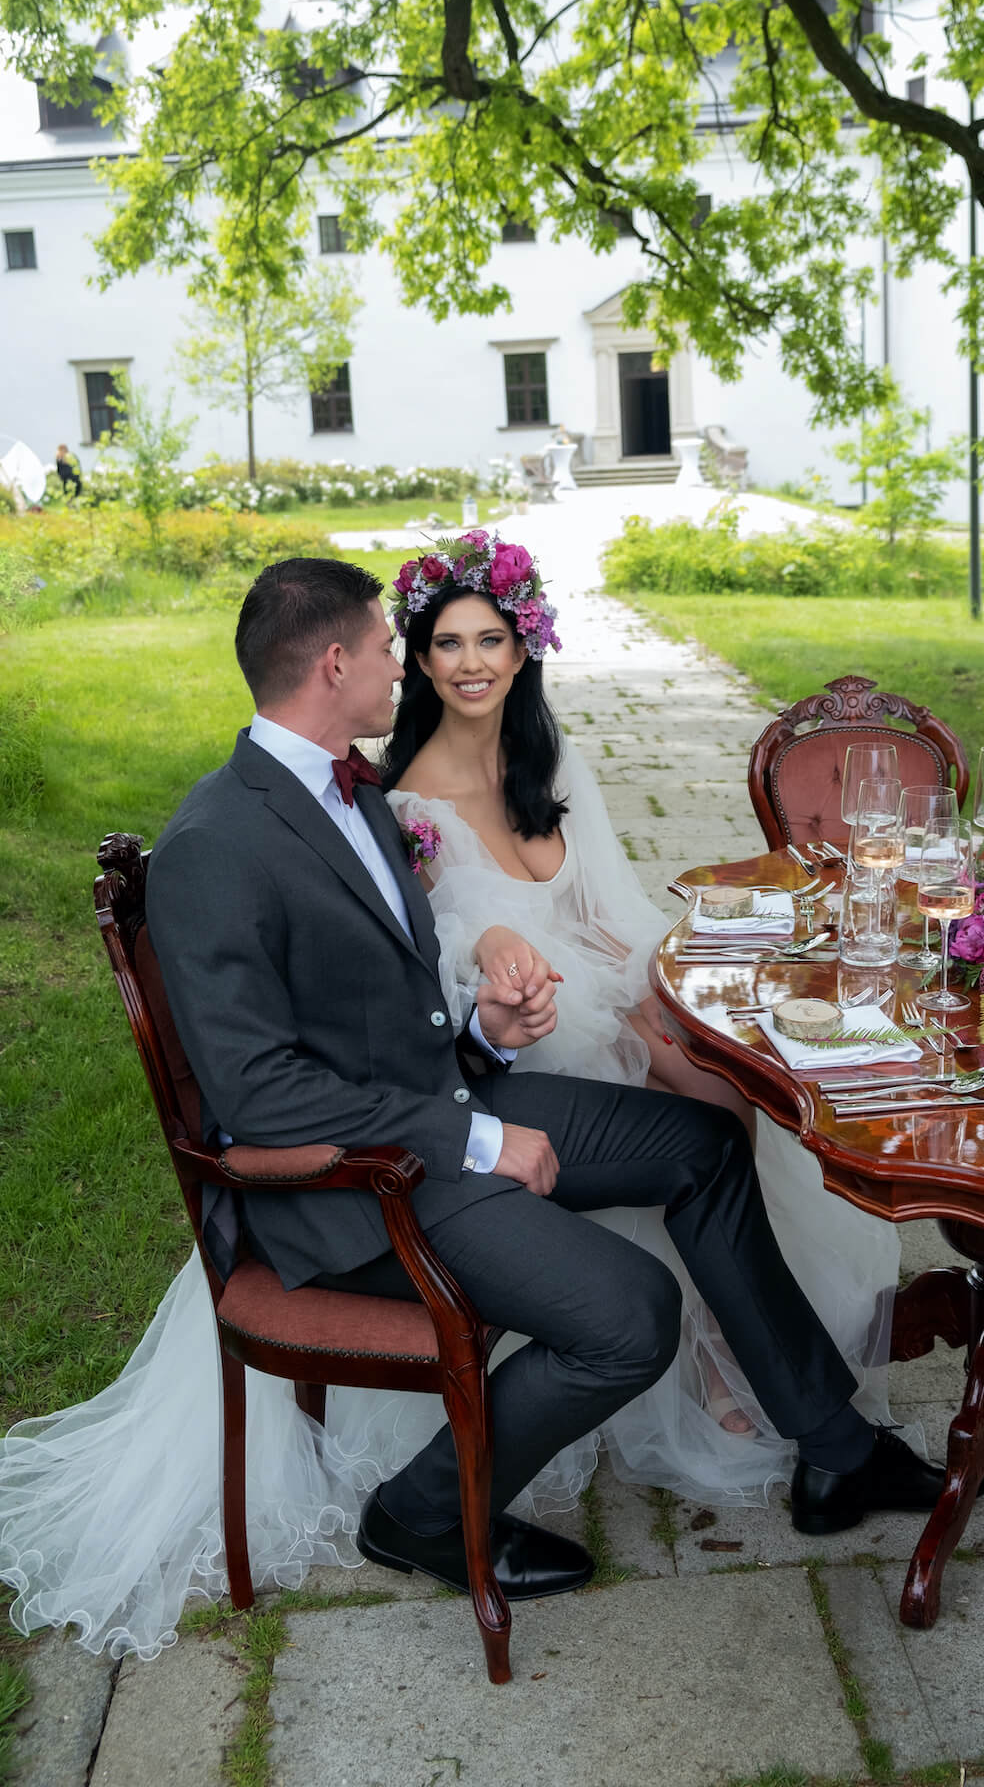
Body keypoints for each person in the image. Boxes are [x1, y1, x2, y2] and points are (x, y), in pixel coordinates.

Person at [0, 554, 984, 1661]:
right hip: (364, 1185)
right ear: (334, 664)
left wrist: (486, 1032)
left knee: (707, 1142)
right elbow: (256, 1093)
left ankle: (834, 1448)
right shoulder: (216, 845)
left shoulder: (348, 791)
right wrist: (475, 1134)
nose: (402, 666)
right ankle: (418, 1513)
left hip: (440, 1099)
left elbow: (385, 1007)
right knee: (630, 1319)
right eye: (388, 648)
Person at [346, 529, 919, 1501]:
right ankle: (721, 1352)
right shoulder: (404, 805)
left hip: (599, 980)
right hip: (512, 1027)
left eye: (489, 640)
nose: (471, 663)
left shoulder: (548, 759)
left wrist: (660, 998)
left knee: (730, 1078)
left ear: (523, 649)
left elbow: (607, 910)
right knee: (700, 1104)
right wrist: (521, 965)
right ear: (420, 659)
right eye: (447, 643)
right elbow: (434, 962)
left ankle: (734, 1342)